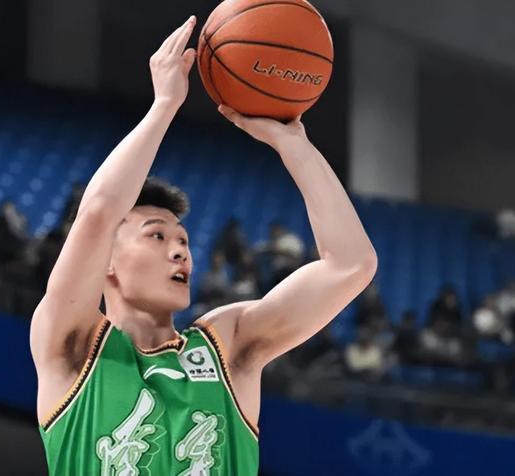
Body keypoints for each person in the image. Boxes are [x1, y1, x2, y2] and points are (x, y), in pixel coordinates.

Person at [30, 16, 377, 476]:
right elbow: (98, 212)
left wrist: (295, 146)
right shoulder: (71, 345)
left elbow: (351, 265)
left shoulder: (227, 346)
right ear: (107, 259)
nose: (180, 251)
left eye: (183, 240)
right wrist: (163, 107)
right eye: (157, 235)